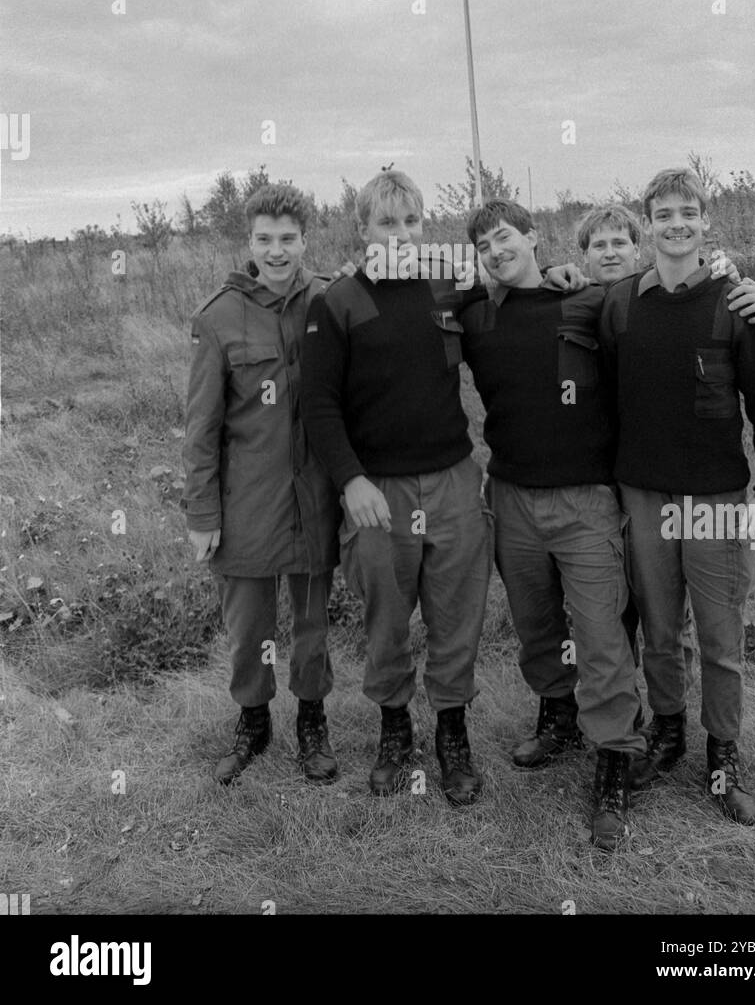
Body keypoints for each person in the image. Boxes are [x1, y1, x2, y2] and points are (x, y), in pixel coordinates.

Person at [599, 169, 755, 826]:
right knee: (657, 631)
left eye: (688, 212)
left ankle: (721, 756)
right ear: (646, 223)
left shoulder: (734, 302)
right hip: (643, 494)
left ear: (704, 221)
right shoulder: (621, 303)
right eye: (662, 213)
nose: (676, 223)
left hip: (714, 498)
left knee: (717, 637)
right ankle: (666, 731)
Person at [300, 170, 492, 807]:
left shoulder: (447, 285)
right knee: (387, 616)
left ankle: (452, 733)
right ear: (364, 230)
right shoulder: (338, 302)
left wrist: (563, 276)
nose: (403, 234)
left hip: (453, 479)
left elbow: (510, 284)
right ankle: (394, 729)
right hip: (379, 489)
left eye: (412, 222)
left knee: (457, 612)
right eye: (388, 223)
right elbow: (319, 405)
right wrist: (351, 480)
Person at [460, 199, 646, 850]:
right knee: (536, 626)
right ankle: (558, 713)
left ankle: (614, 762)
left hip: (586, 500)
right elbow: (394, 301)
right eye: (482, 243)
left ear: (533, 236)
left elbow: (666, 323)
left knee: (599, 632)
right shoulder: (473, 312)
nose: (494, 249)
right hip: (510, 496)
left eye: (503, 236)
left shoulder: (588, 303)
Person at [182, 182, 341, 786]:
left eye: (289, 239)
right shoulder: (219, 317)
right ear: (248, 241)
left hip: (314, 497)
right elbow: (202, 427)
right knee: (249, 628)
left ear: (305, 239)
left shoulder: (331, 299)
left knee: (311, 623)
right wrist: (202, 512)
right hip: (245, 501)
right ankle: (253, 719)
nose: (278, 251)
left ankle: (311, 719)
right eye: (265, 239)